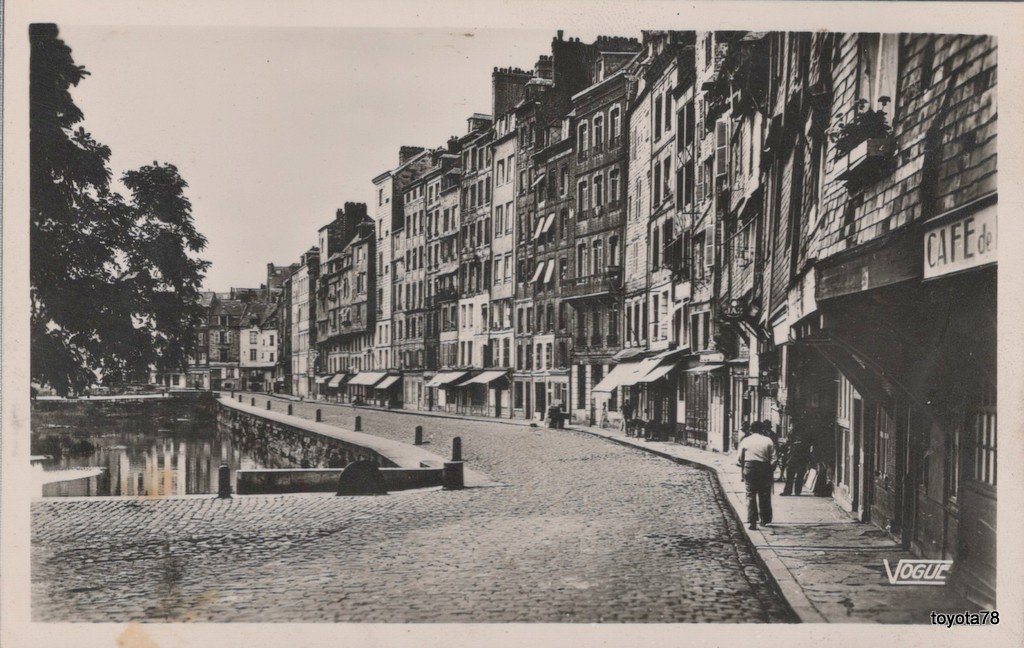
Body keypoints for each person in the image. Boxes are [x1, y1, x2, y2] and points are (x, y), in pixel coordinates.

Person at [737, 421, 776, 530]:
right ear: (762, 429)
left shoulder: (746, 441)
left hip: (750, 469)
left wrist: (744, 465)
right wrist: (770, 469)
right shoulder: (768, 440)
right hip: (764, 469)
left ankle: (752, 521)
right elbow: (774, 458)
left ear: (751, 430)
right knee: (764, 494)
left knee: (750, 494)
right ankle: (764, 520)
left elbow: (739, 459)